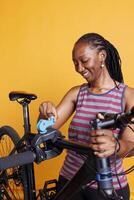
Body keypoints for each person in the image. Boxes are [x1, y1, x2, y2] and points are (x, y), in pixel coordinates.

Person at [39, 33, 134, 200]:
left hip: (108, 185)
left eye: (84, 61)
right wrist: (44, 113)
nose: (79, 68)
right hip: (70, 182)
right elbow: (48, 127)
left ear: (102, 56)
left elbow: (131, 145)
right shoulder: (77, 93)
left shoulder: (127, 96)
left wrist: (116, 146)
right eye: (75, 63)